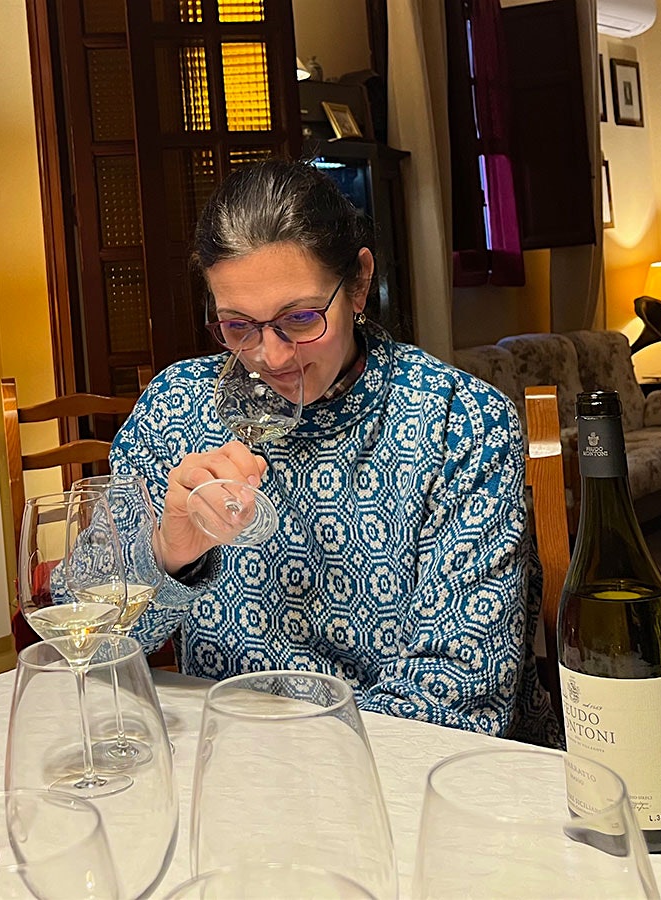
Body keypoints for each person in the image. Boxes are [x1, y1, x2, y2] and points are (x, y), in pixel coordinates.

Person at [112, 159, 559, 745]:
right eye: (238, 325)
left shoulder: (459, 424)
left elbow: (461, 696)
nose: (270, 356)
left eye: (299, 319)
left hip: (402, 774)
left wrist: (278, 751)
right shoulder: (176, 410)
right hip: (227, 764)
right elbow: (88, 630)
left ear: (359, 284)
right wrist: (167, 556)